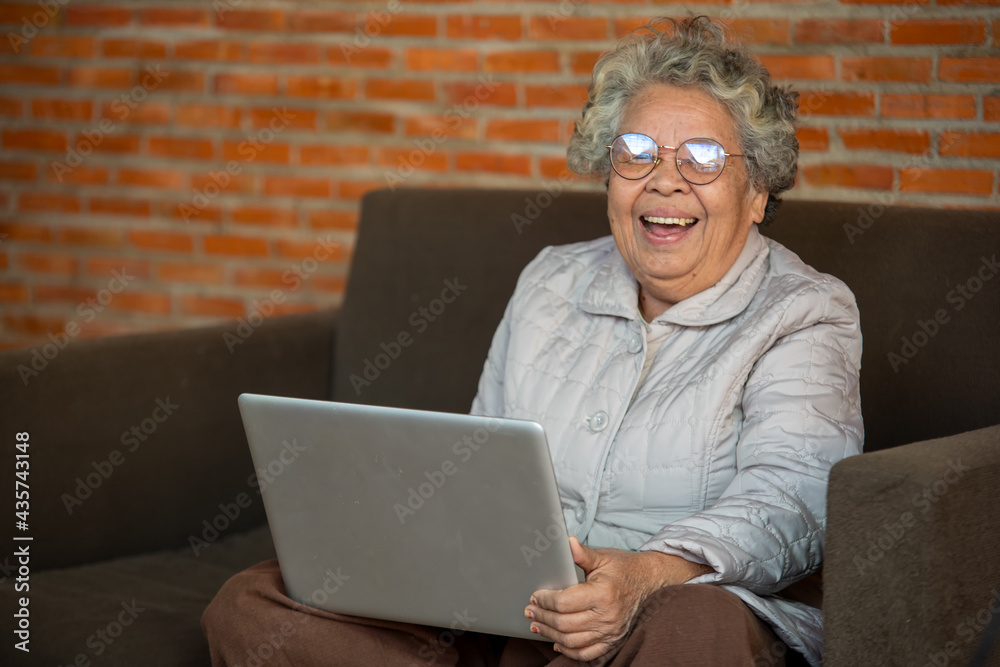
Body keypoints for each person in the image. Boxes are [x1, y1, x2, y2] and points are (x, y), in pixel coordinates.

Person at [203, 16, 862, 667]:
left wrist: (644, 575)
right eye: (635, 152)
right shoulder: (550, 279)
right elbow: (477, 461)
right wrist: (438, 562)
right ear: (609, 175)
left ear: (756, 192)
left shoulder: (804, 310)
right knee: (255, 600)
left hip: (666, 608)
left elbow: (794, 497)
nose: (665, 179)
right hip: (518, 607)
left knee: (694, 628)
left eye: (705, 158)